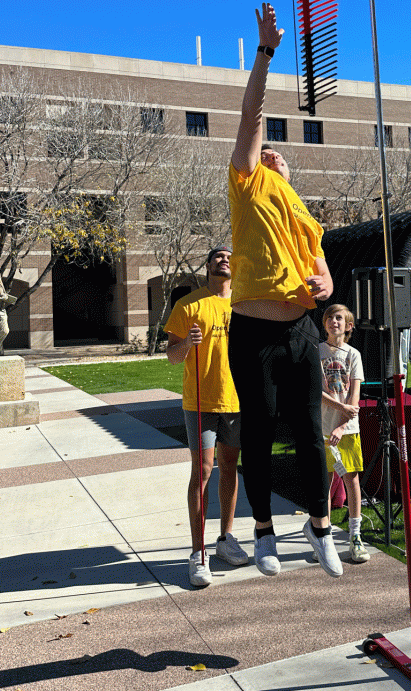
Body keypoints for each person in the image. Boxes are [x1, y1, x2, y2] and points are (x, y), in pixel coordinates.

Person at [226, 2, 342, 579]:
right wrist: (267, 52)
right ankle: (265, 532)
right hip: (253, 329)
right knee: (260, 428)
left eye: (278, 157)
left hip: (300, 328)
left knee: (311, 432)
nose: (271, 154)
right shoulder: (246, 183)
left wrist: (325, 284)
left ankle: (320, 527)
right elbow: (251, 119)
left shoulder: (299, 208)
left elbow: (322, 272)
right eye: (266, 153)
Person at [164, 247, 250, 587]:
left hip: (236, 400)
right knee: (202, 471)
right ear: (208, 266)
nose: (224, 260)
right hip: (200, 401)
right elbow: (172, 356)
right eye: (217, 257)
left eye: (229, 256)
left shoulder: (245, 304)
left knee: (230, 466)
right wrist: (186, 343)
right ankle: (198, 553)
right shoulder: (189, 305)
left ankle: (226, 539)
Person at [319, 304, 370, 564]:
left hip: (347, 430)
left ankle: (355, 537)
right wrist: (339, 411)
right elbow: (316, 391)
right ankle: (323, 537)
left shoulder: (354, 355)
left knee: (351, 480)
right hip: (322, 429)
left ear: (349, 326)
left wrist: (341, 426)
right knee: (323, 483)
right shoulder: (316, 352)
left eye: (339, 318)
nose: (333, 321)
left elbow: (355, 397)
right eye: (329, 317)